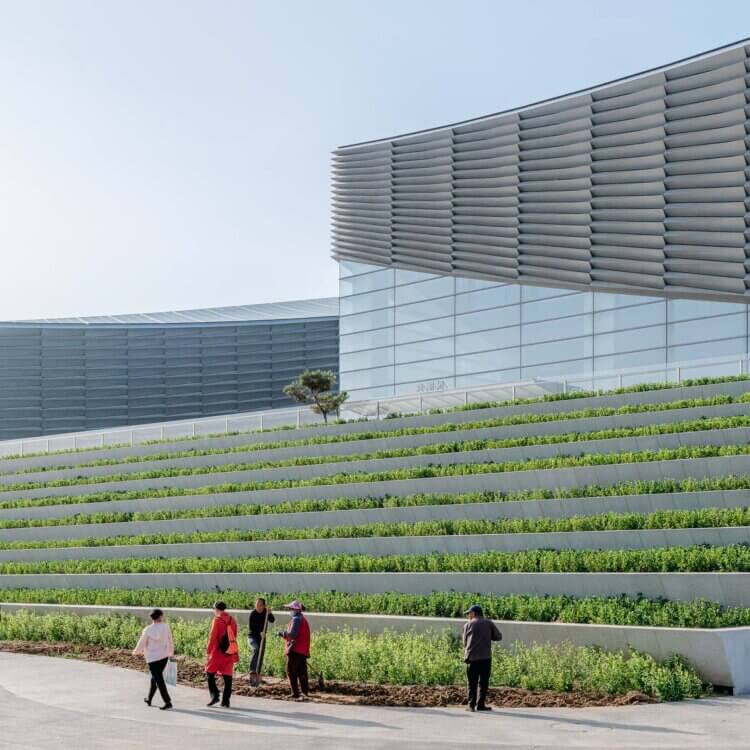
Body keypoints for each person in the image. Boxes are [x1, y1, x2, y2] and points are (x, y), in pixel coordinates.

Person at [462, 604, 502, 712]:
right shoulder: (489, 623)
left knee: (472, 682)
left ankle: (471, 706)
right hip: (486, 658)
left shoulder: (467, 625)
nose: (468, 616)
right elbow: (499, 636)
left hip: (472, 658)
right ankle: (481, 705)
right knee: (484, 682)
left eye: (469, 614)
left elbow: (464, 642)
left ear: (474, 613)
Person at [133, 608, 174, 711]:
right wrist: (171, 652)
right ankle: (149, 699)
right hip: (164, 656)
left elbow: (142, 643)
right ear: (160, 616)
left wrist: (136, 652)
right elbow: (170, 640)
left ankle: (167, 701)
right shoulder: (166, 627)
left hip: (152, 658)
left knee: (158, 679)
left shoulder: (148, 629)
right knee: (155, 678)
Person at [205, 601, 240, 708]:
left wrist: (208, 651)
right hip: (229, 652)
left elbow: (212, 637)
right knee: (227, 677)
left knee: (209, 673)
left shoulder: (217, 620)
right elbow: (234, 636)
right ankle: (226, 701)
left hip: (217, 652)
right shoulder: (232, 620)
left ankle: (215, 695)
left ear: (216, 609)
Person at [277, 600, 311, 701]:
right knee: (302, 672)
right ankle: (305, 692)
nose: (289, 610)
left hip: (295, 649)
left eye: (290, 609)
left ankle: (295, 693)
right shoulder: (302, 619)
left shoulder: (296, 619)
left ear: (296, 610)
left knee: (291, 671)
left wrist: (282, 633)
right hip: (302, 650)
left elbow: (292, 634)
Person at [248, 597, 275, 686]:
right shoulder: (253, 614)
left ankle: (258, 673)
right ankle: (252, 672)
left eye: (260, 605)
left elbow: (272, 620)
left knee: (261, 653)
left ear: (264, 606)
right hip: (253, 636)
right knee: (256, 649)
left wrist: (270, 613)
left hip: (262, 637)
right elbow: (252, 628)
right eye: (256, 605)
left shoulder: (265, 612)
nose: (258, 607)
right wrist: (260, 632)